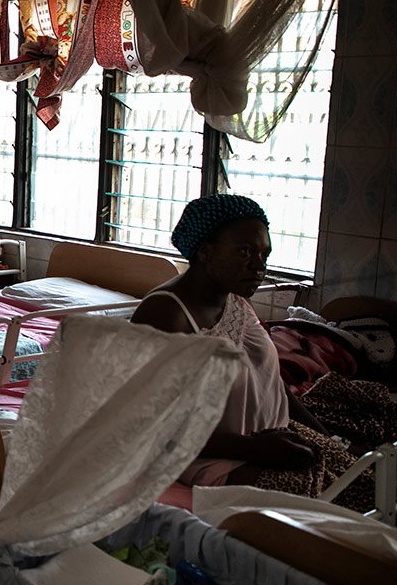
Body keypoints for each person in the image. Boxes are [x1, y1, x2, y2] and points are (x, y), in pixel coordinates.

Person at [130, 194, 372, 511]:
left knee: (367, 476)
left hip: (268, 436)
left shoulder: (236, 302)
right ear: (205, 251)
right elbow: (159, 425)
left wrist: (327, 439)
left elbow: (272, 383)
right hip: (202, 454)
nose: (259, 266)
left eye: (264, 254)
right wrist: (257, 449)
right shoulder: (165, 314)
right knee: (321, 506)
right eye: (245, 252)